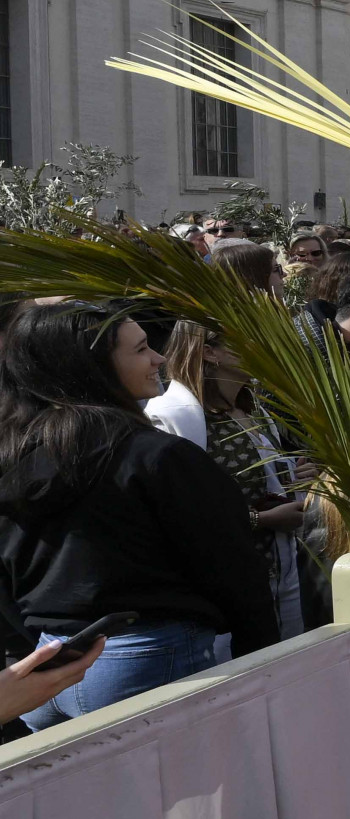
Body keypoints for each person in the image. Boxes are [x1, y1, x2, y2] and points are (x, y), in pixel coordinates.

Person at [0, 302, 279, 726]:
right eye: (142, 349)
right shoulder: (158, 457)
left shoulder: (12, 456)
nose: (160, 358)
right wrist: (263, 661)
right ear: (94, 366)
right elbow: (233, 565)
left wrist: (31, 652)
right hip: (145, 660)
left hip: (46, 669)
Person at [148, 322, 311, 639]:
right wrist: (260, 520)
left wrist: (295, 473)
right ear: (210, 352)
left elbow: (258, 477)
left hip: (278, 579)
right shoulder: (174, 416)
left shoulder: (254, 408)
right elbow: (177, 512)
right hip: (227, 592)